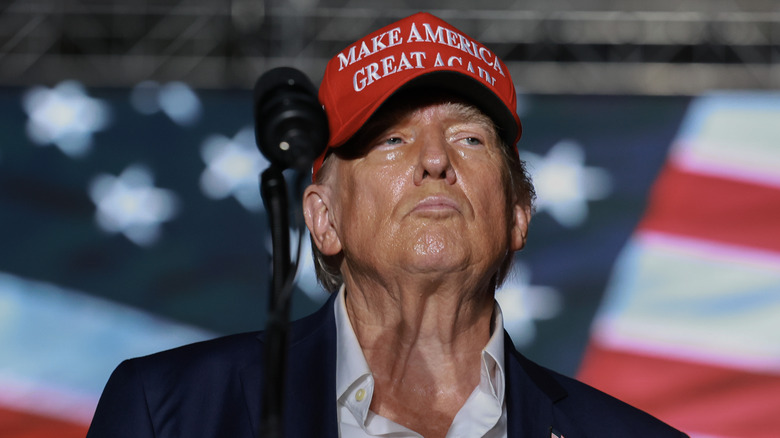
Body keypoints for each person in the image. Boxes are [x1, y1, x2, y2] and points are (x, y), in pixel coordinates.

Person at [87, 12, 688, 438]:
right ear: (324, 219)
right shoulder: (168, 412)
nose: (435, 160)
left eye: (469, 137)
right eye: (391, 138)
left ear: (516, 216)